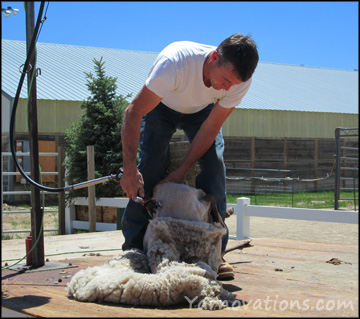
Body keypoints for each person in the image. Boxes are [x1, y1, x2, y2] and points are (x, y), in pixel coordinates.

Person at [120, 33, 259, 280]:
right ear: (214, 57)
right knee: (149, 166)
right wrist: (130, 169)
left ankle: (216, 252)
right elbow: (134, 111)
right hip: (161, 106)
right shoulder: (175, 63)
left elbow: (210, 128)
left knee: (214, 167)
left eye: (233, 84)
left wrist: (182, 170)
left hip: (202, 112)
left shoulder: (238, 81)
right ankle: (133, 248)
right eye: (225, 80)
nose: (227, 88)